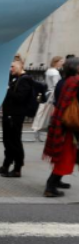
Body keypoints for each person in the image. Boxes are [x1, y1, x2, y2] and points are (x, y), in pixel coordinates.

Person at [42, 56, 79, 198]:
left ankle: (54, 183)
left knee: (65, 156)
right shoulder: (75, 81)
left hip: (61, 124)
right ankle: (50, 187)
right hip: (69, 125)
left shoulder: (65, 81)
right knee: (65, 157)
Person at [0, 56, 33, 178]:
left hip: (15, 116)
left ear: (21, 65)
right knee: (7, 141)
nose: (10, 69)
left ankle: (17, 168)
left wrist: (8, 90)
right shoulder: (15, 78)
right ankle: (6, 165)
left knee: (15, 142)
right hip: (8, 114)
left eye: (12, 66)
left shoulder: (25, 79)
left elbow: (20, 97)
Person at [30, 56, 64, 136]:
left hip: (48, 92)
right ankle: (42, 126)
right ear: (56, 62)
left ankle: (37, 126)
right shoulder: (55, 72)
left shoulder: (49, 70)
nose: (62, 62)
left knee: (42, 111)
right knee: (48, 112)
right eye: (61, 61)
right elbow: (56, 85)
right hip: (53, 93)